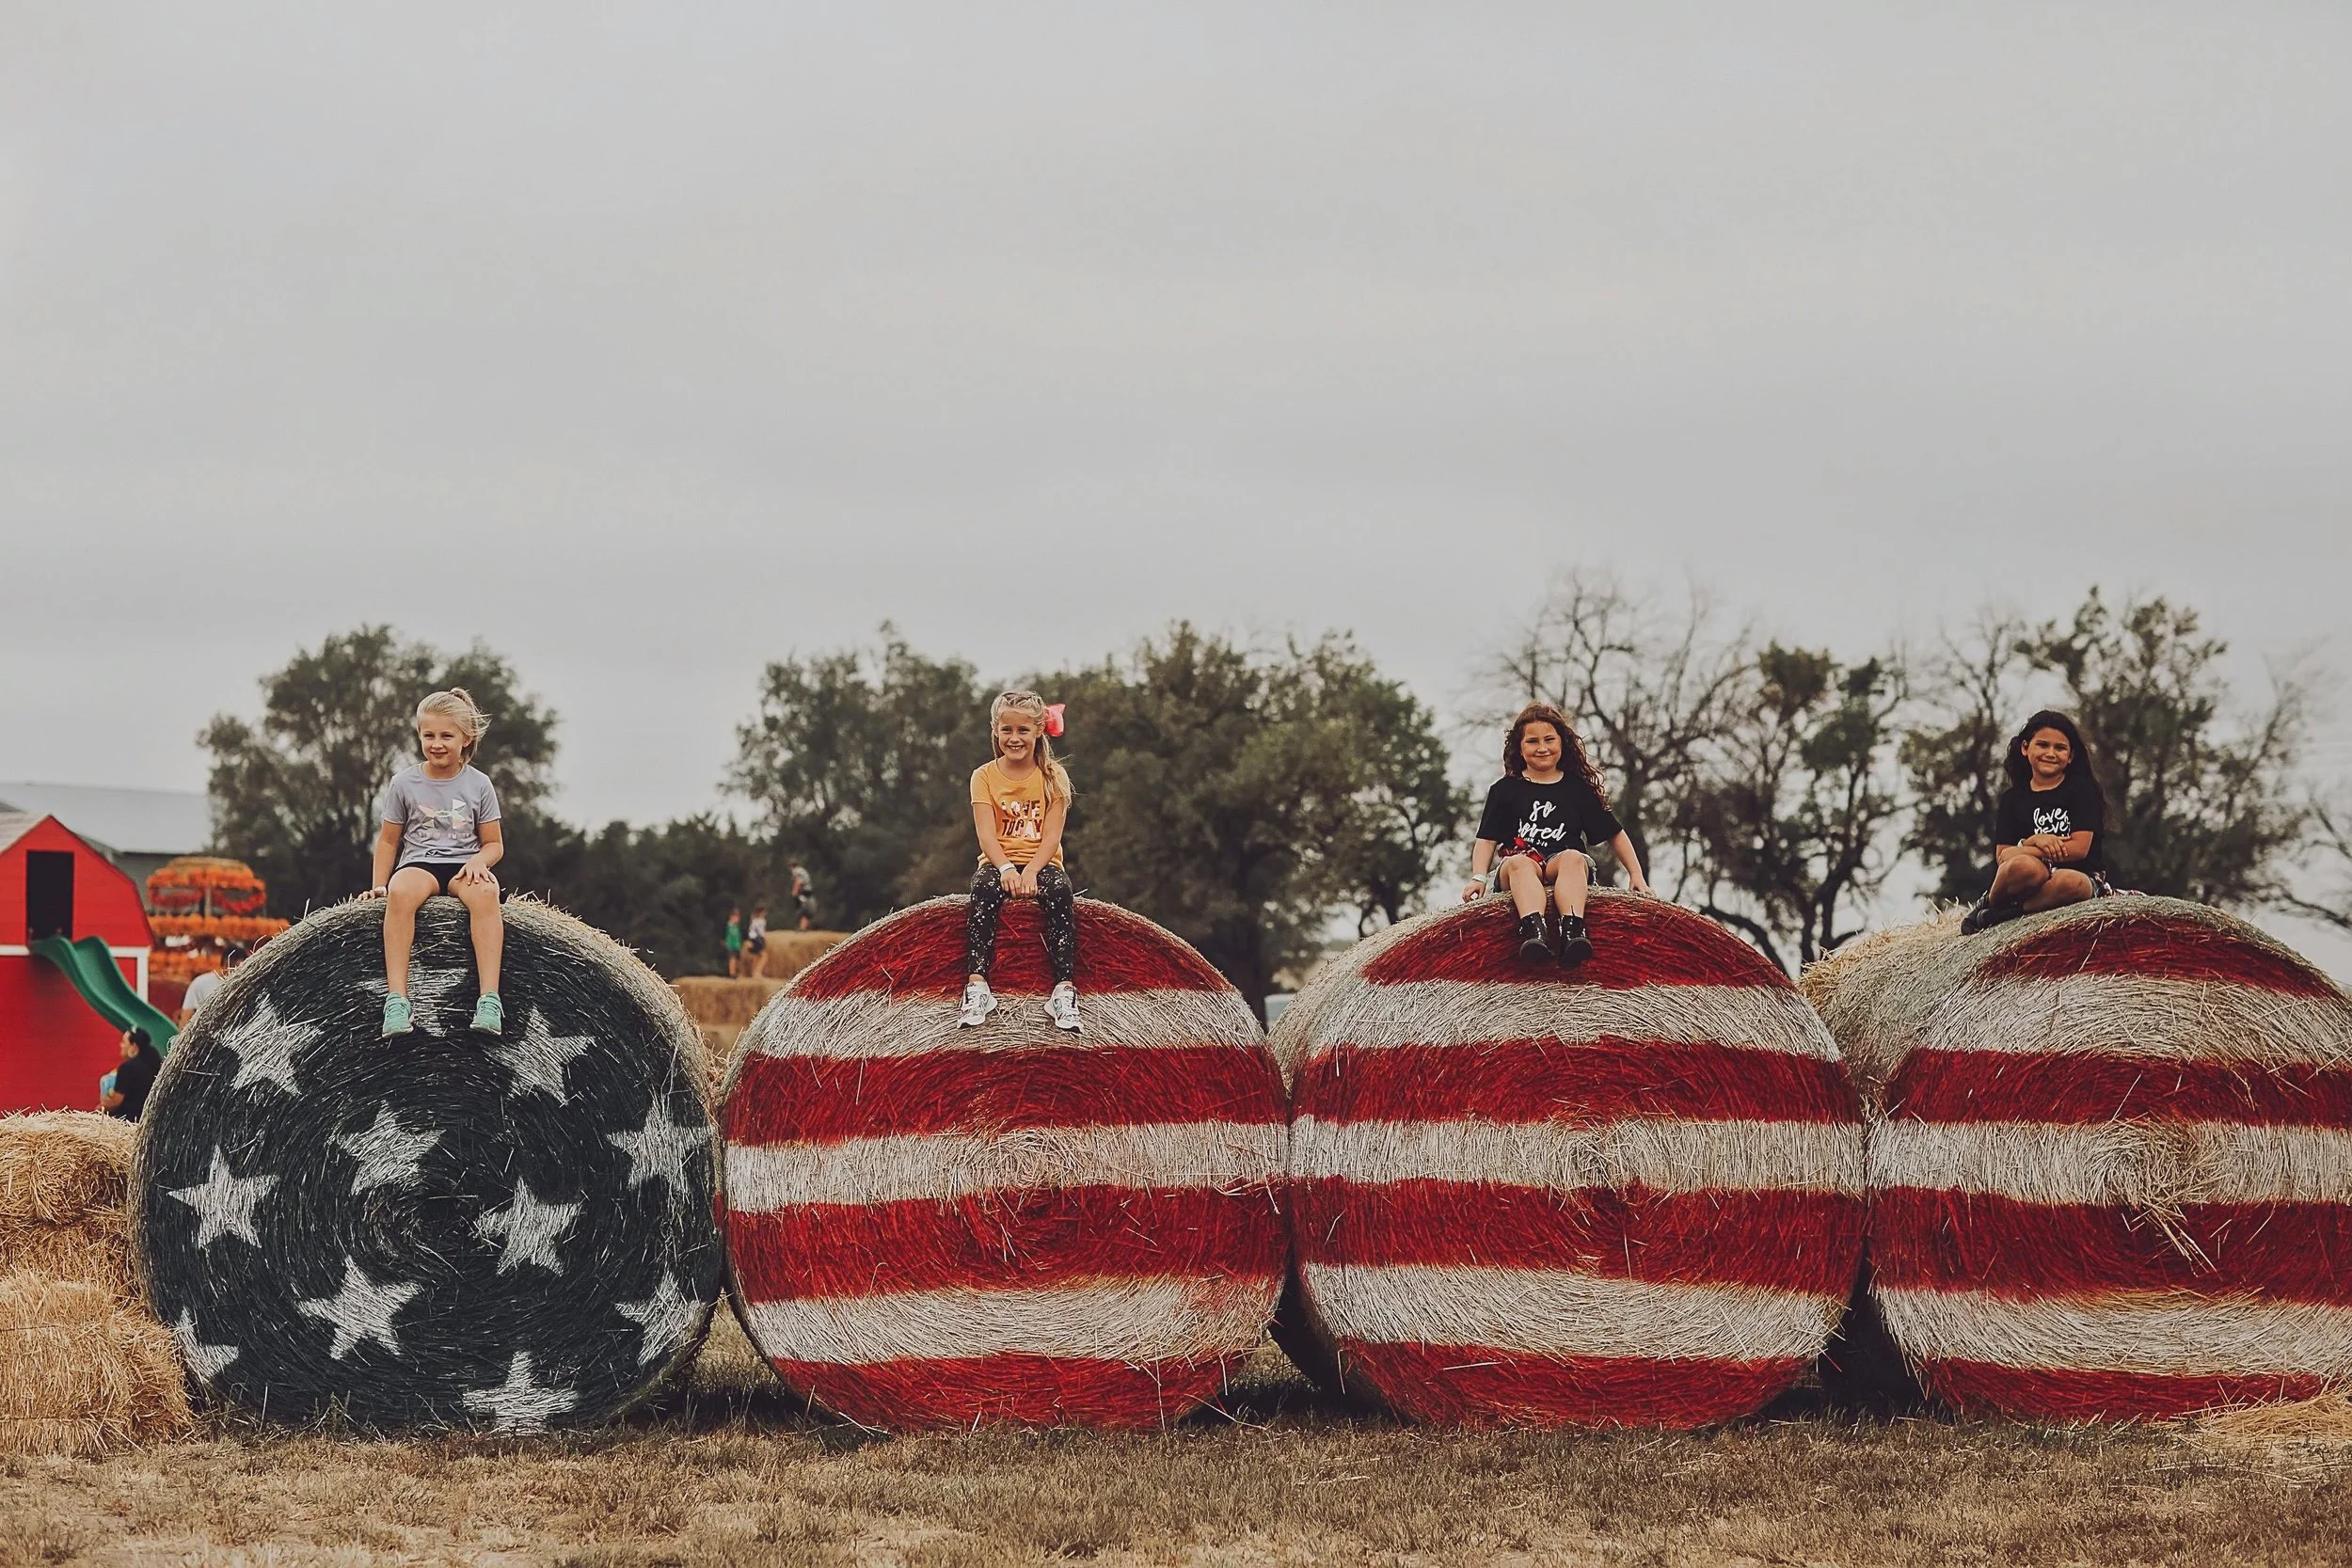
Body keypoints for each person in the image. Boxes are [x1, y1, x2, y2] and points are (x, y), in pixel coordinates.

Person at [1463, 703, 1654, 966]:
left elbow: (1615, 833)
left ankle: (1573, 929)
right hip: (1518, 866)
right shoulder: (1504, 790)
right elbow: (1486, 840)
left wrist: (1636, 875)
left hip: (1561, 863)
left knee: (1574, 858)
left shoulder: (1577, 789)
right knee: (1520, 864)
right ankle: (1534, 931)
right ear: (1519, 747)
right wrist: (1478, 877)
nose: (1542, 748)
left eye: (1549, 739)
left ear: (1562, 742)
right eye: (1532, 741)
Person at [367, 689, 506, 1037]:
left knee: (487, 894)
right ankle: (397, 1000)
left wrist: (479, 861)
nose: (437, 743)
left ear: (465, 738)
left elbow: (494, 844)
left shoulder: (480, 784)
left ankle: (489, 1000)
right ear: (419, 735)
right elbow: (388, 841)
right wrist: (379, 885)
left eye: (447, 735)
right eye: (428, 735)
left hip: (464, 866)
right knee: (400, 894)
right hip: (420, 863)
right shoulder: (403, 783)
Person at [961, 690, 1081, 1031]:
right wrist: (1006, 869)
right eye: (1007, 730)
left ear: (1038, 731)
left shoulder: (1053, 776)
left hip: (1041, 865)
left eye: (1023, 731)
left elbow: (1052, 837)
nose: (1014, 738)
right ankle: (977, 985)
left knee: (1061, 892)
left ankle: (1063, 989)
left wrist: (1030, 871)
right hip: (998, 863)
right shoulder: (983, 776)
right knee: (981, 891)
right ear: (996, 731)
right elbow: (986, 836)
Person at [1962, 709, 2110, 934]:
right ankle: (1989, 903)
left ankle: (2006, 914)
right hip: (2027, 879)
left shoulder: (2082, 792)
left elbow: (2079, 849)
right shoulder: (2012, 799)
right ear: (2025, 748)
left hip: (2077, 877)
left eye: (2060, 748)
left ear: (2070, 756)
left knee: (2070, 881)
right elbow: (2005, 856)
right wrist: (2037, 841)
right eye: (2042, 745)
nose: (2050, 753)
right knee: (2026, 868)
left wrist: (2025, 848)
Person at [101, 1028, 162, 1120]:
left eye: (124, 1042)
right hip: (150, 1118)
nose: (121, 1045)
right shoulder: (156, 1064)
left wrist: (100, 1109)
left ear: (133, 1046)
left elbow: (116, 1102)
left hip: (128, 1120)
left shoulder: (128, 1068)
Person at [742, 905, 770, 979]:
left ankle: (754, 973)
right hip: (757, 939)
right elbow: (761, 932)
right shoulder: (761, 921)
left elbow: (750, 930)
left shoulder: (753, 920)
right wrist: (764, 941)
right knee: (764, 956)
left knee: (756, 957)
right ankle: (758, 972)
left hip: (751, 939)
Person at [789, 863, 817, 930]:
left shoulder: (796, 871)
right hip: (808, 893)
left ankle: (802, 928)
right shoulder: (803, 870)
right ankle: (805, 927)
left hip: (803, 893)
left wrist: (794, 892)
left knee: (803, 909)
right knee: (807, 910)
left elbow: (798, 881)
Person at [723, 908, 745, 977]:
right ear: (731, 917)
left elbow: (738, 936)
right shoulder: (729, 925)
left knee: (737, 960)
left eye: (738, 917)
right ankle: (732, 973)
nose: (737, 919)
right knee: (732, 959)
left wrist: (740, 944)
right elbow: (729, 934)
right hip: (730, 945)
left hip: (737, 945)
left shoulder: (736, 926)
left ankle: (737, 972)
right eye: (735, 917)